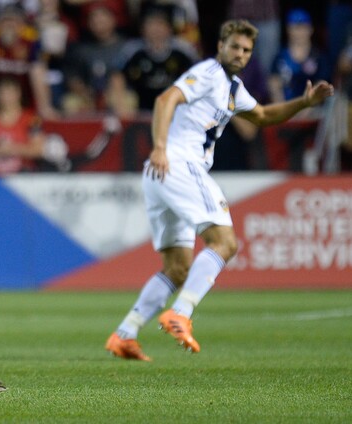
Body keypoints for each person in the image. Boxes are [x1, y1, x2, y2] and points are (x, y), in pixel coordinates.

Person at [105, 19, 334, 361]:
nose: (240, 54)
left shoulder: (233, 87)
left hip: (160, 176)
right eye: (235, 47)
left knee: (178, 267)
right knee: (225, 243)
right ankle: (181, 313)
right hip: (178, 165)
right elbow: (166, 99)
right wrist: (160, 147)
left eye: (246, 50)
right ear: (221, 46)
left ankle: (125, 334)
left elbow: (262, 115)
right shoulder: (209, 73)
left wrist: (303, 102)